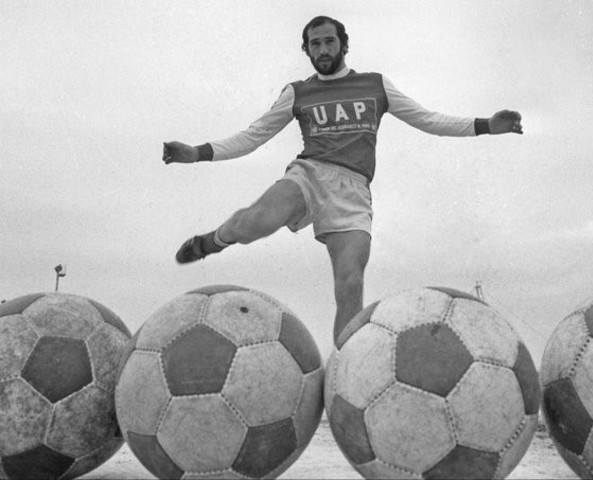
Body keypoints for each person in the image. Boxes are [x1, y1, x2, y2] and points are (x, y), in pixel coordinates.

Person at [163, 15, 523, 342]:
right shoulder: (298, 92)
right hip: (309, 174)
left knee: (350, 285)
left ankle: (343, 373)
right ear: (306, 49)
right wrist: (197, 152)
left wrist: (487, 127)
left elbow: (428, 119)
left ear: (343, 45)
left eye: (329, 41)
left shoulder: (375, 85)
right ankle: (212, 242)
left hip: (353, 194)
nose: (322, 49)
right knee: (256, 222)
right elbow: (253, 135)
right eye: (315, 44)